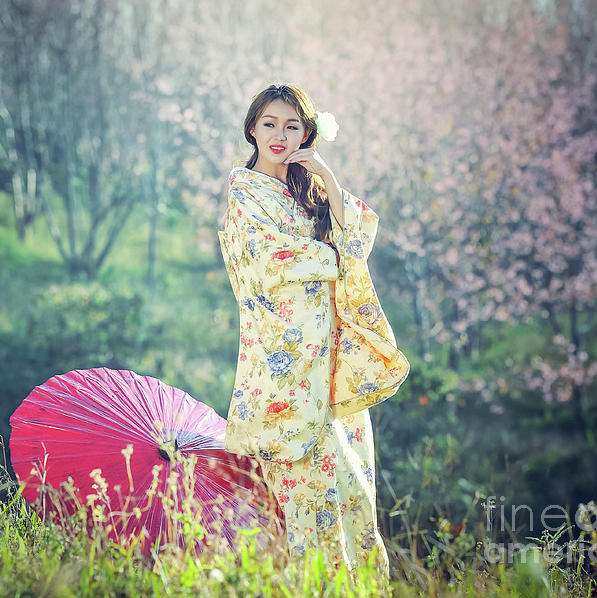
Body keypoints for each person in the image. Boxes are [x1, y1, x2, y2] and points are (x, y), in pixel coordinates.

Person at [216, 84, 411, 579]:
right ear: (251, 129)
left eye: (291, 126)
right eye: (268, 124)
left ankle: (361, 588)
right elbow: (265, 260)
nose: (279, 136)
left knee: (353, 493)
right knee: (308, 499)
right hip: (284, 363)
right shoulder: (245, 192)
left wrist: (325, 174)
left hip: (330, 358)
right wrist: (331, 258)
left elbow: (357, 238)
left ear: (307, 133)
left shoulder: (311, 188)